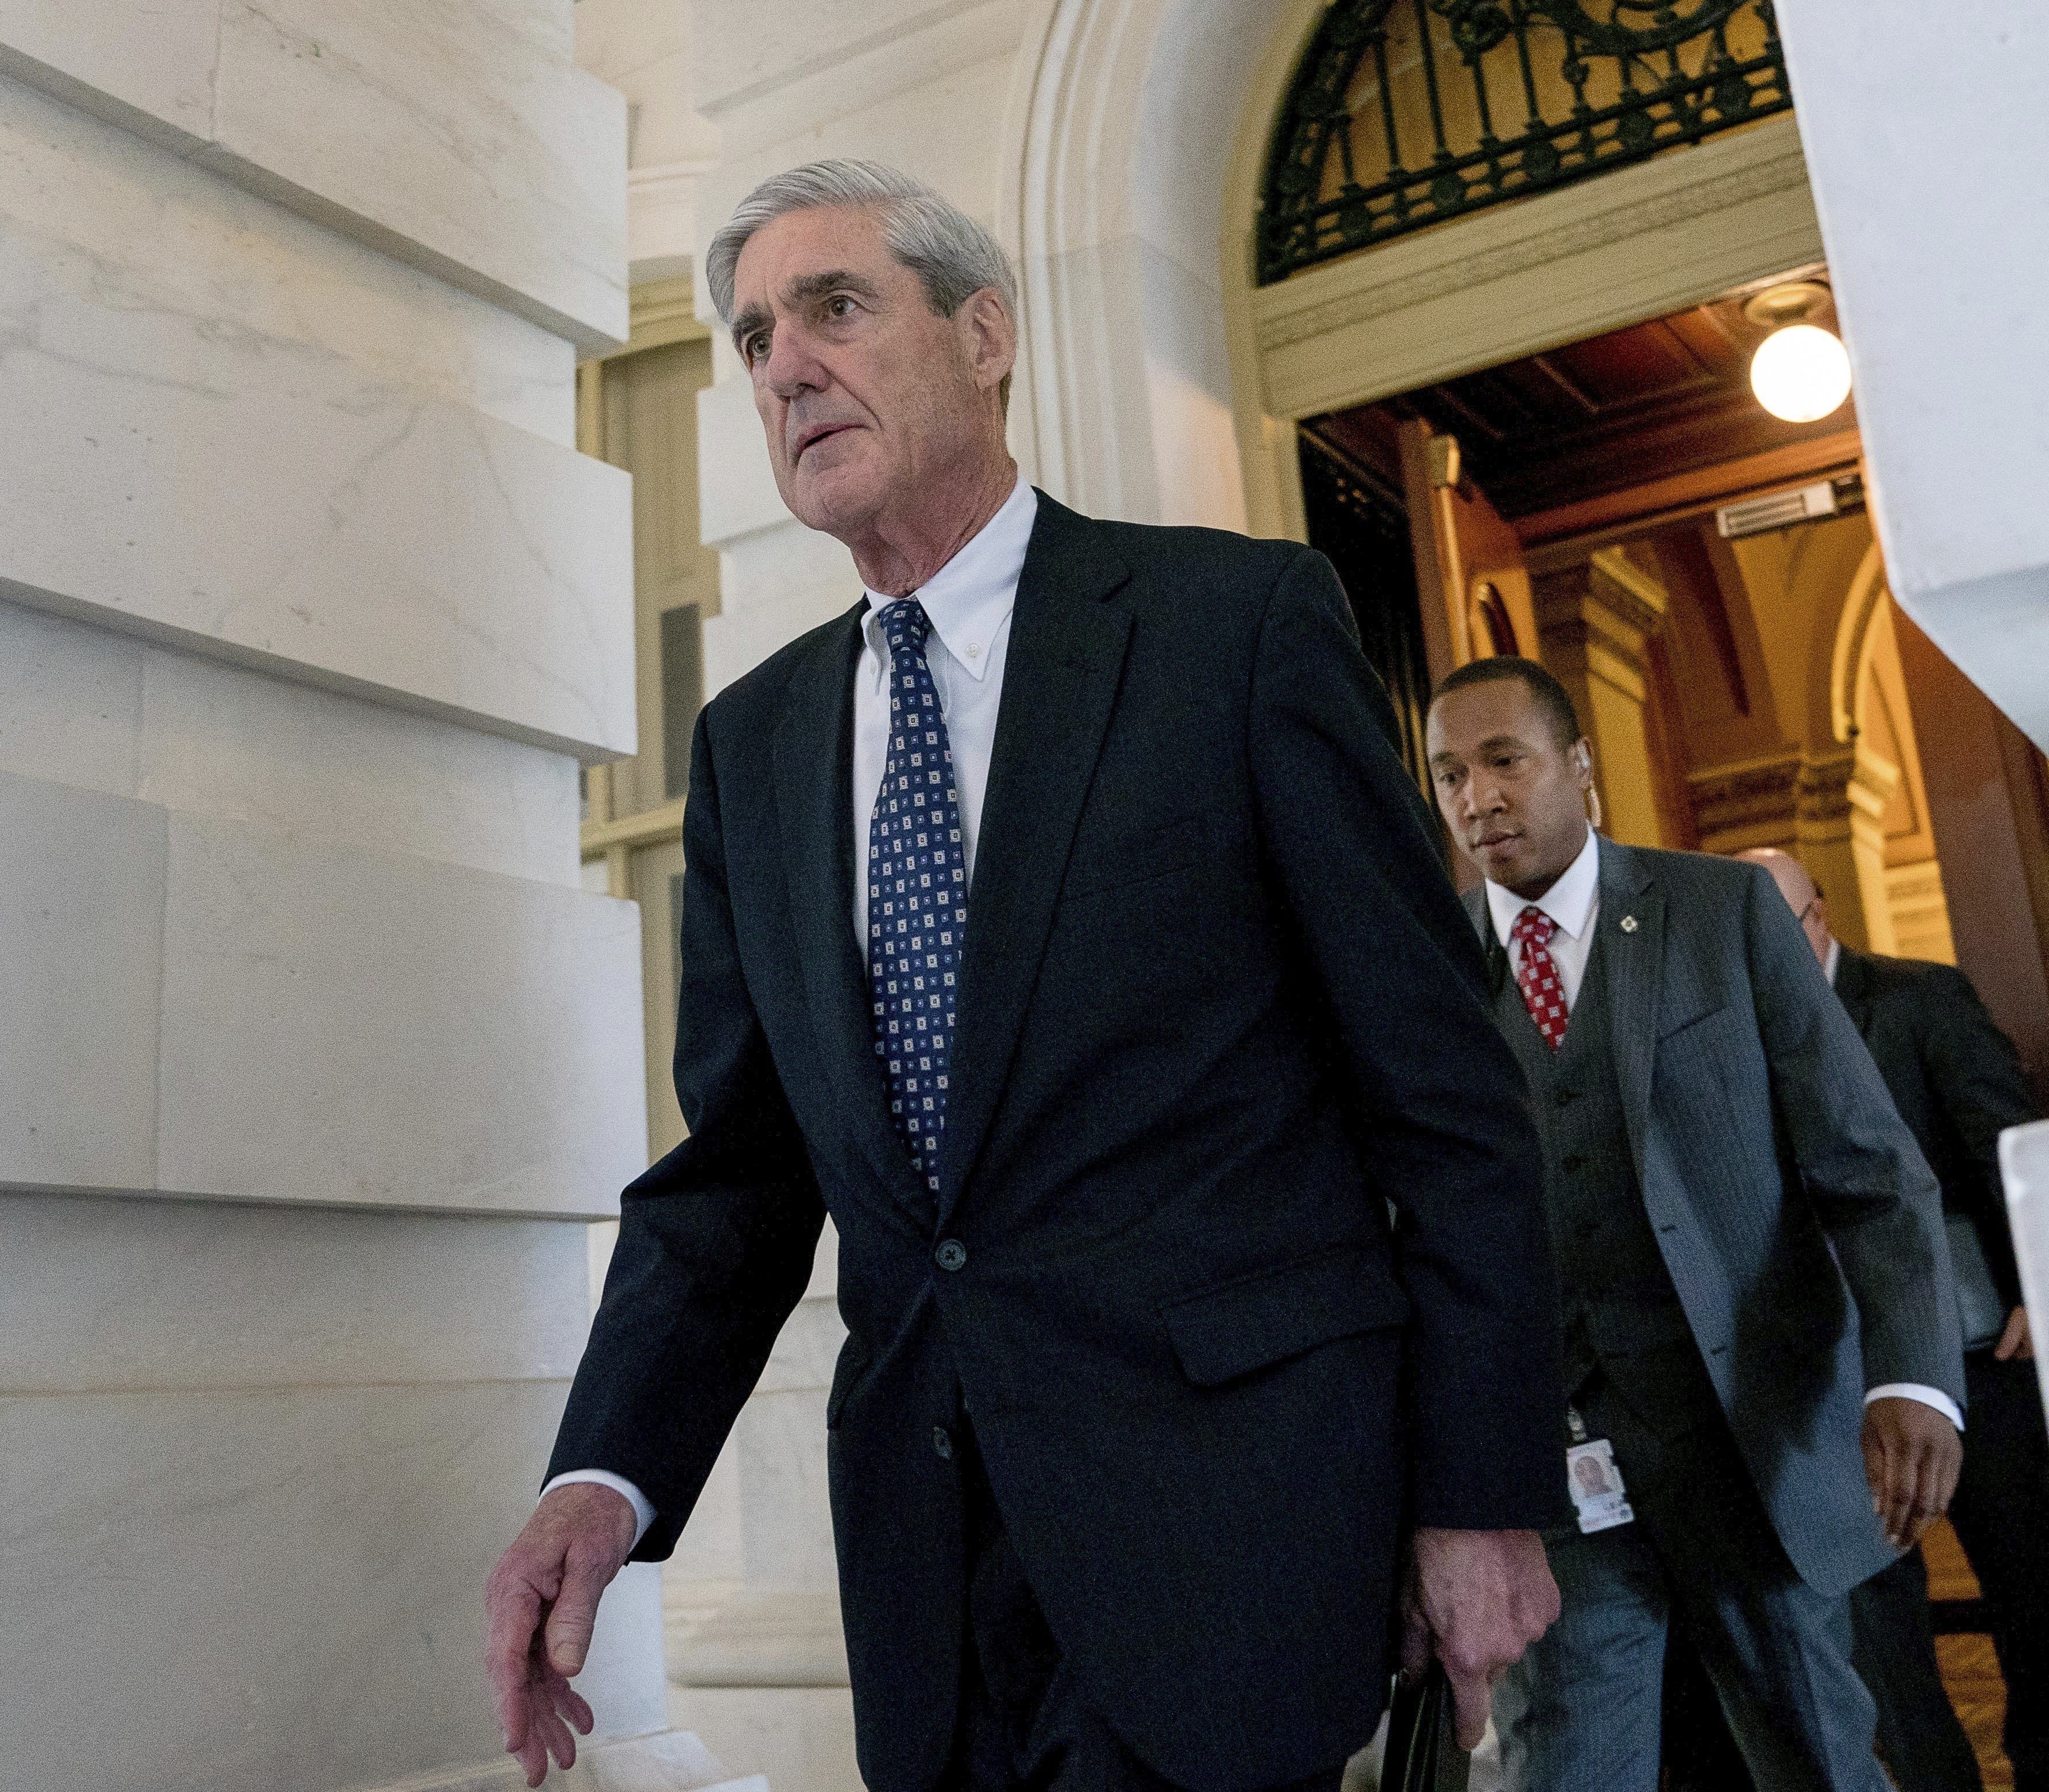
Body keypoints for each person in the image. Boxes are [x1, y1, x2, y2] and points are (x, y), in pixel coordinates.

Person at [481, 161, 1570, 1792]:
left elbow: (1444, 1099)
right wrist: (605, 1476)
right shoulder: (754, 745)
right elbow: (741, 1177)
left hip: (1233, 1522)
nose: (781, 362)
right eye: (753, 333)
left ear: (983, 334)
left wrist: (1478, 1488)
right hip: (935, 1574)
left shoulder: (1233, 629)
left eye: (832, 306)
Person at [1422, 656, 1965, 1792]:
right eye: (1447, 774)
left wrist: (1910, 1379)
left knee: (1819, 1761)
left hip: (1747, 1447)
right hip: (1554, 1471)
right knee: (1565, 1772)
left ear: (1578, 768)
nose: (1476, 798)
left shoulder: (1718, 913)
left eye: (1503, 761)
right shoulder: (1420, 972)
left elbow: (1867, 1165)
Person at [1735, 849, 2049, 1792]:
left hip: (1973, 1345)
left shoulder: (1917, 998)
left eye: (1786, 924)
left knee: (2030, 1575)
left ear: (1821, 916)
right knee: (1875, 1610)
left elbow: (1998, 1139)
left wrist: (2037, 1282)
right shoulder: (1729, 1031)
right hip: (1830, 1371)